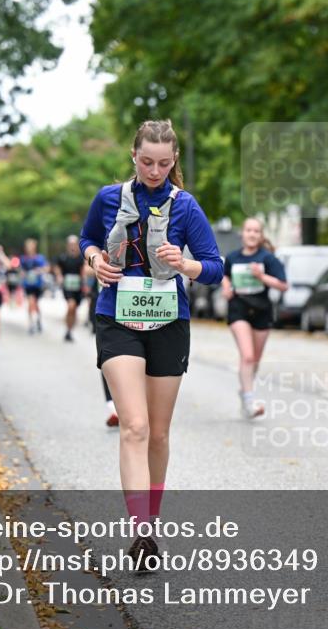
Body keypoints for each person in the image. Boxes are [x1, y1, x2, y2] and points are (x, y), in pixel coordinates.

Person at [80, 119, 223, 565]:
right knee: (135, 426)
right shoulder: (109, 198)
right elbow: (88, 239)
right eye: (146, 162)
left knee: (158, 434)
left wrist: (186, 264)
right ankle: (140, 533)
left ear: (174, 160)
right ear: (133, 156)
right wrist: (95, 260)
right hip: (117, 317)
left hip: (167, 322)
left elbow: (216, 267)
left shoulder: (186, 207)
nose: (154, 171)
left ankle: (152, 523)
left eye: (163, 163)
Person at [221, 218, 289, 418]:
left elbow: (283, 285)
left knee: (256, 359)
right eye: (248, 230)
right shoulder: (233, 257)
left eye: (256, 231)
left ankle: (244, 391)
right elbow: (224, 275)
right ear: (242, 233)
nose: (252, 234)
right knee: (248, 356)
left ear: (260, 236)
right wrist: (226, 286)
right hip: (238, 309)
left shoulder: (267, 258)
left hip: (261, 310)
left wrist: (262, 277)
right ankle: (250, 401)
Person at [55, 235, 86, 342]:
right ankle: (68, 329)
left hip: (78, 287)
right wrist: (59, 276)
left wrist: (85, 285)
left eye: (74, 244)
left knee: (74, 310)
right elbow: (57, 268)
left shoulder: (81, 258)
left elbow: (83, 272)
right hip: (67, 286)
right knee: (71, 306)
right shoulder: (63, 257)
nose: (72, 246)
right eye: (70, 244)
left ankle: (69, 330)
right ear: (67, 245)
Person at [20, 238, 48, 335]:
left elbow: (46, 268)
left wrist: (38, 271)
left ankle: (38, 319)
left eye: (31, 246)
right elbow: (21, 270)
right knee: (30, 302)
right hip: (28, 284)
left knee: (35, 303)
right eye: (27, 246)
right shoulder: (23, 258)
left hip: (37, 284)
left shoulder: (39, 258)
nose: (29, 248)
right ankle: (31, 323)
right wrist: (23, 274)